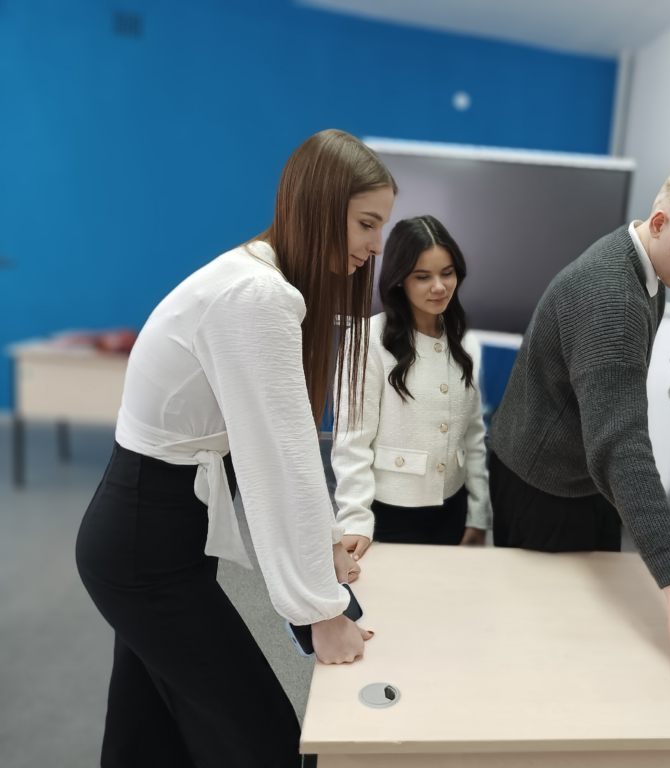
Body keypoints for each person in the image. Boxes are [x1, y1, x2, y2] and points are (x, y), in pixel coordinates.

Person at [75, 129, 393, 768]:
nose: (375, 245)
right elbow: (280, 461)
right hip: (145, 547)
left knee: (146, 738)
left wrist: (326, 545)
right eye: (366, 224)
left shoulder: (258, 276)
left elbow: (282, 448)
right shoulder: (258, 295)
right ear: (319, 208)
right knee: (262, 741)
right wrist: (320, 613)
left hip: (155, 533)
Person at [488, 155, 670, 673]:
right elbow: (620, 444)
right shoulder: (611, 295)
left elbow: (611, 429)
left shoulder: (646, 268)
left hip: (578, 471)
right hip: (542, 486)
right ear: (659, 222)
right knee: (547, 637)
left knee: (596, 621)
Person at [333, 216, 491, 559]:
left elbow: (473, 435)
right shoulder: (367, 340)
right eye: (423, 277)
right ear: (399, 279)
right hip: (389, 512)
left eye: (447, 273)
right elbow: (351, 443)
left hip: (453, 508)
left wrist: (478, 513)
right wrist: (355, 519)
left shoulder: (463, 339)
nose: (439, 287)